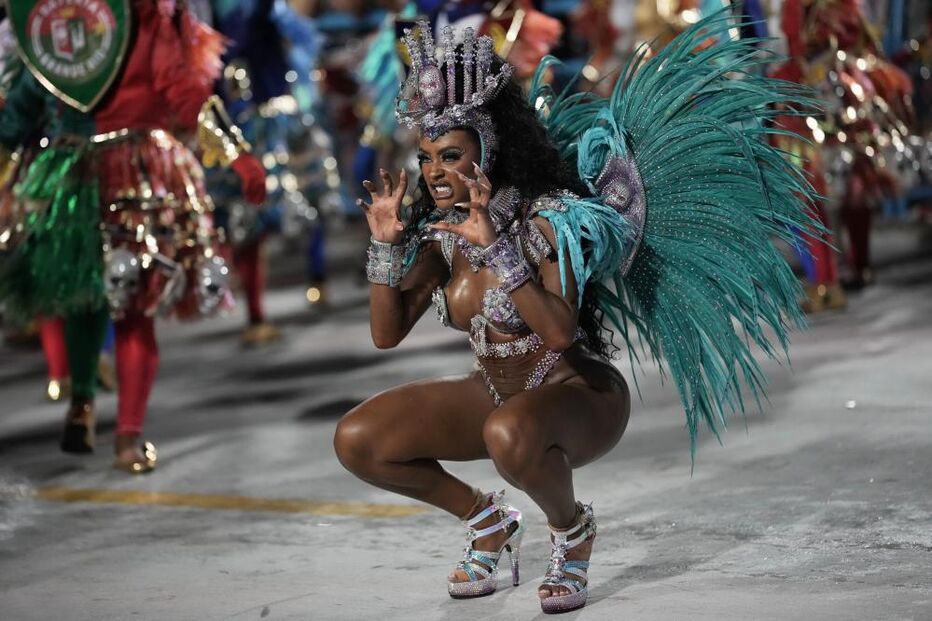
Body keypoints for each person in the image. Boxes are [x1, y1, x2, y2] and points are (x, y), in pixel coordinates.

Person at [334, 14, 821, 613]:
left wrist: (497, 250)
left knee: (508, 433)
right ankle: (488, 522)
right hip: (495, 392)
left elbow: (560, 331)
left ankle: (571, 531)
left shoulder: (549, 219)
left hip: (576, 395)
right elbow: (386, 334)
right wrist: (384, 243)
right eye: (428, 156)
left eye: (451, 155)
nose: (434, 172)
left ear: (488, 152)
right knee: (359, 438)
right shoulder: (439, 237)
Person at [0, 0, 265, 473]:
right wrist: (236, 153)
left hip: (89, 176)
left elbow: (20, 109)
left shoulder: (75, 15)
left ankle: (98, 412)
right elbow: (186, 92)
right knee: (117, 307)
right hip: (121, 177)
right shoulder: (130, 16)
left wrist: (234, 151)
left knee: (102, 299)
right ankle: (114, 427)